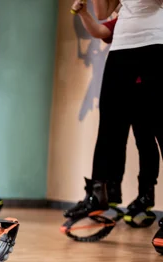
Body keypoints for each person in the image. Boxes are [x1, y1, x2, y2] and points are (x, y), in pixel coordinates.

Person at [70, 0, 160, 218]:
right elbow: (102, 14)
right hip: (122, 45)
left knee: (153, 130)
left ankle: (145, 193)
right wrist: (85, 12)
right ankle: (100, 192)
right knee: (109, 124)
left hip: (156, 41)